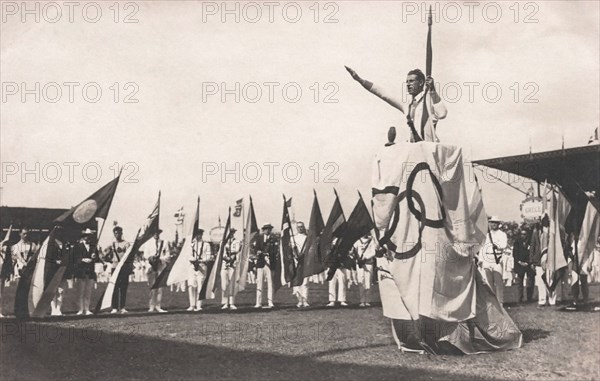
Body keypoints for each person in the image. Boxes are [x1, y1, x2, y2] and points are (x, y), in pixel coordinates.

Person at [345, 66, 447, 142]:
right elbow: (384, 94)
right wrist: (360, 80)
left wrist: (433, 91)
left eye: (411, 81)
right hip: (414, 151)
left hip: (430, 150)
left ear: (421, 82)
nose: (408, 84)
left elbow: (442, 114)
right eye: (406, 82)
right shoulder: (407, 105)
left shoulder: (429, 100)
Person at [477, 216, 508, 305]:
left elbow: (504, 245)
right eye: (492, 222)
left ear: (498, 224)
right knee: (488, 282)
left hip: (496, 259)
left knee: (498, 282)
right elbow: (482, 248)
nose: (493, 224)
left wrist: (497, 246)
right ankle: (492, 303)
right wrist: (480, 259)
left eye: (495, 222)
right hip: (487, 259)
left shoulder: (502, 234)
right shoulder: (486, 235)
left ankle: (500, 302)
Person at [72, 229, 99, 315]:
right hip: (81, 271)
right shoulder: (77, 246)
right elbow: (74, 259)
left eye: (89, 236)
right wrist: (82, 260)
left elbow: (97, 258)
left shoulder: (93, 246)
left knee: (88, 291)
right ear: (83, 237)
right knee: (80, 291)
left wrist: (94, 257)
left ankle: (87, 308)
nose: (88, 237)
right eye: (86, 236)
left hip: (90, 271)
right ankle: (80, 309)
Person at [45, 224, 69, 316]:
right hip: (53, 270)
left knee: (61, 290)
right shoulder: (51, 244)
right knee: (53, 290)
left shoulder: (65, 244)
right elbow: (48, 257)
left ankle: (58, 308)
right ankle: (53, 309)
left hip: (63, 270)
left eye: (61, 232)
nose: (59, 234)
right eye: (57, 232)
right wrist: (55, 261)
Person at [108, 225, 132, 314]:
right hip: (115, 267)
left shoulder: (126, 243)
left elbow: (129, 255)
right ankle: (114, 307)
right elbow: (106, 254)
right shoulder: (112, 244)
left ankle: (122, 306)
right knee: (114, 287)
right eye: (115, 233)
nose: (117, 235)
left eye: (118, 233)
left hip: (123, 267)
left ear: (121, 233)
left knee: (123, 287)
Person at [253, 224, 277, 308]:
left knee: (270, 283)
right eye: (266, 229)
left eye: (269, 229)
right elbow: (256, 248)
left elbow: (275, 250)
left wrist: (269, 254)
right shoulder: (259, 238)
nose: (267, 230)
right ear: (263, 230)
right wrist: (258, 252)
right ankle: (258, 302)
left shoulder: (274, 238)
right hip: (261, 263)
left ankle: (270, 301)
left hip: (270, 263)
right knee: (259, 283)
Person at [188, 229, 212, 311]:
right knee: (191, 285)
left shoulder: (206, 245)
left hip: (202, 266)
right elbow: (189, 255)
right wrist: (193, 260)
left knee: (200, 286)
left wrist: (201, 260)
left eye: (200, 234)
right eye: (197, 234)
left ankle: (199, 305)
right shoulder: (191, 244)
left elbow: (209, 256)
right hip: (192, 267)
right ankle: (192, 305)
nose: (198, 236)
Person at [145, 231, 169, 313]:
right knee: (152, 287)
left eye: (157, 233)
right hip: (151, 266)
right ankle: (151, 306)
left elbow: (167, 255)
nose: (156, 234)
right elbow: (145, 255)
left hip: (160, 266)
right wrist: (152, 258)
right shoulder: (148, 243)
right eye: (154, 233)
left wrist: (161, 259)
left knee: (160, 287)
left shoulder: (164, 242)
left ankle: (158, 306)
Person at [353, 234, 376, 307]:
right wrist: (357, 258)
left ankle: (368, 300)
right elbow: (353, 251)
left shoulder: (371, 241)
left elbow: (374, 252)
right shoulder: (357, 241)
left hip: (368, 263)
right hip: (360, 263)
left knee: (368, 281)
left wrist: (366, 257)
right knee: (361, 281)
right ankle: (362, 300)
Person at [513, 229, 535, 303]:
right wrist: (520, 262)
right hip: (519, 265)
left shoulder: (531, 242)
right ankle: (520, 298)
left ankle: (529, 298)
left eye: (525, 234)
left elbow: (532, 252)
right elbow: (515, 254)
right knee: (519, 282)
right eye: (522, 234)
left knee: (530, 282)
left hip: (529, 265)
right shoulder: (517, 242)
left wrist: (528, 263)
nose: (523, 236)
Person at [221, 228, 240, 310]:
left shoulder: (236, 242)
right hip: (224, 265)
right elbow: (221, 254)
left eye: (232, 233)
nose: (230, 234)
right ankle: (225, 302)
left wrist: (230, 256)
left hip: (233, 265)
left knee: (232, 284)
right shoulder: (222, 243)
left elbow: (236, 251)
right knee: (224, 284)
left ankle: (232, 303)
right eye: (229, 233)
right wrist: (225, 257)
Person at [292, 222, 309, 308]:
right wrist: (295, 255)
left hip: (305, 261)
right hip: (296, 262)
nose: (300, 228)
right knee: (297, 282)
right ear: (296, 228)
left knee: (305, 282)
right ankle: (299, 300)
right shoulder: (293, 238)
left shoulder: (307, 238)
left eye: (302, 227)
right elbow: (291, 249)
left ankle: (305, 300)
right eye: (298, 227)